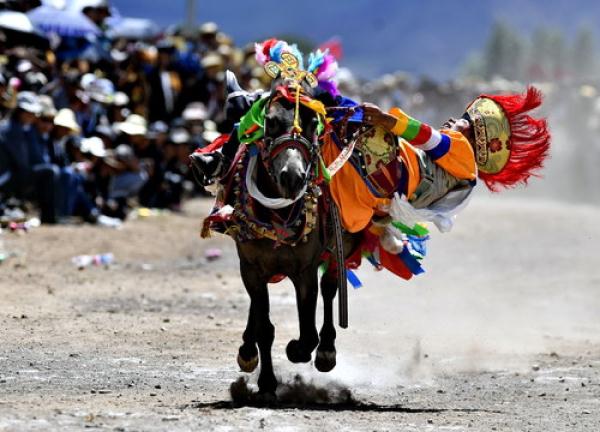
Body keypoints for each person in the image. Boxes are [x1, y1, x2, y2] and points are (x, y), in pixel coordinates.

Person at [190, 39, 550, 280]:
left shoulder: (461, 153)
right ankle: (237, 135)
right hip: (374, 185)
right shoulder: (460, 163)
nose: (454, 120)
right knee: (310, 125)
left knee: (319, 117)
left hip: (378, 174)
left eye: (463, 121)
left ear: (474, 135)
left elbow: (425, 136)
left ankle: (231, 138)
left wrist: (385, 119)